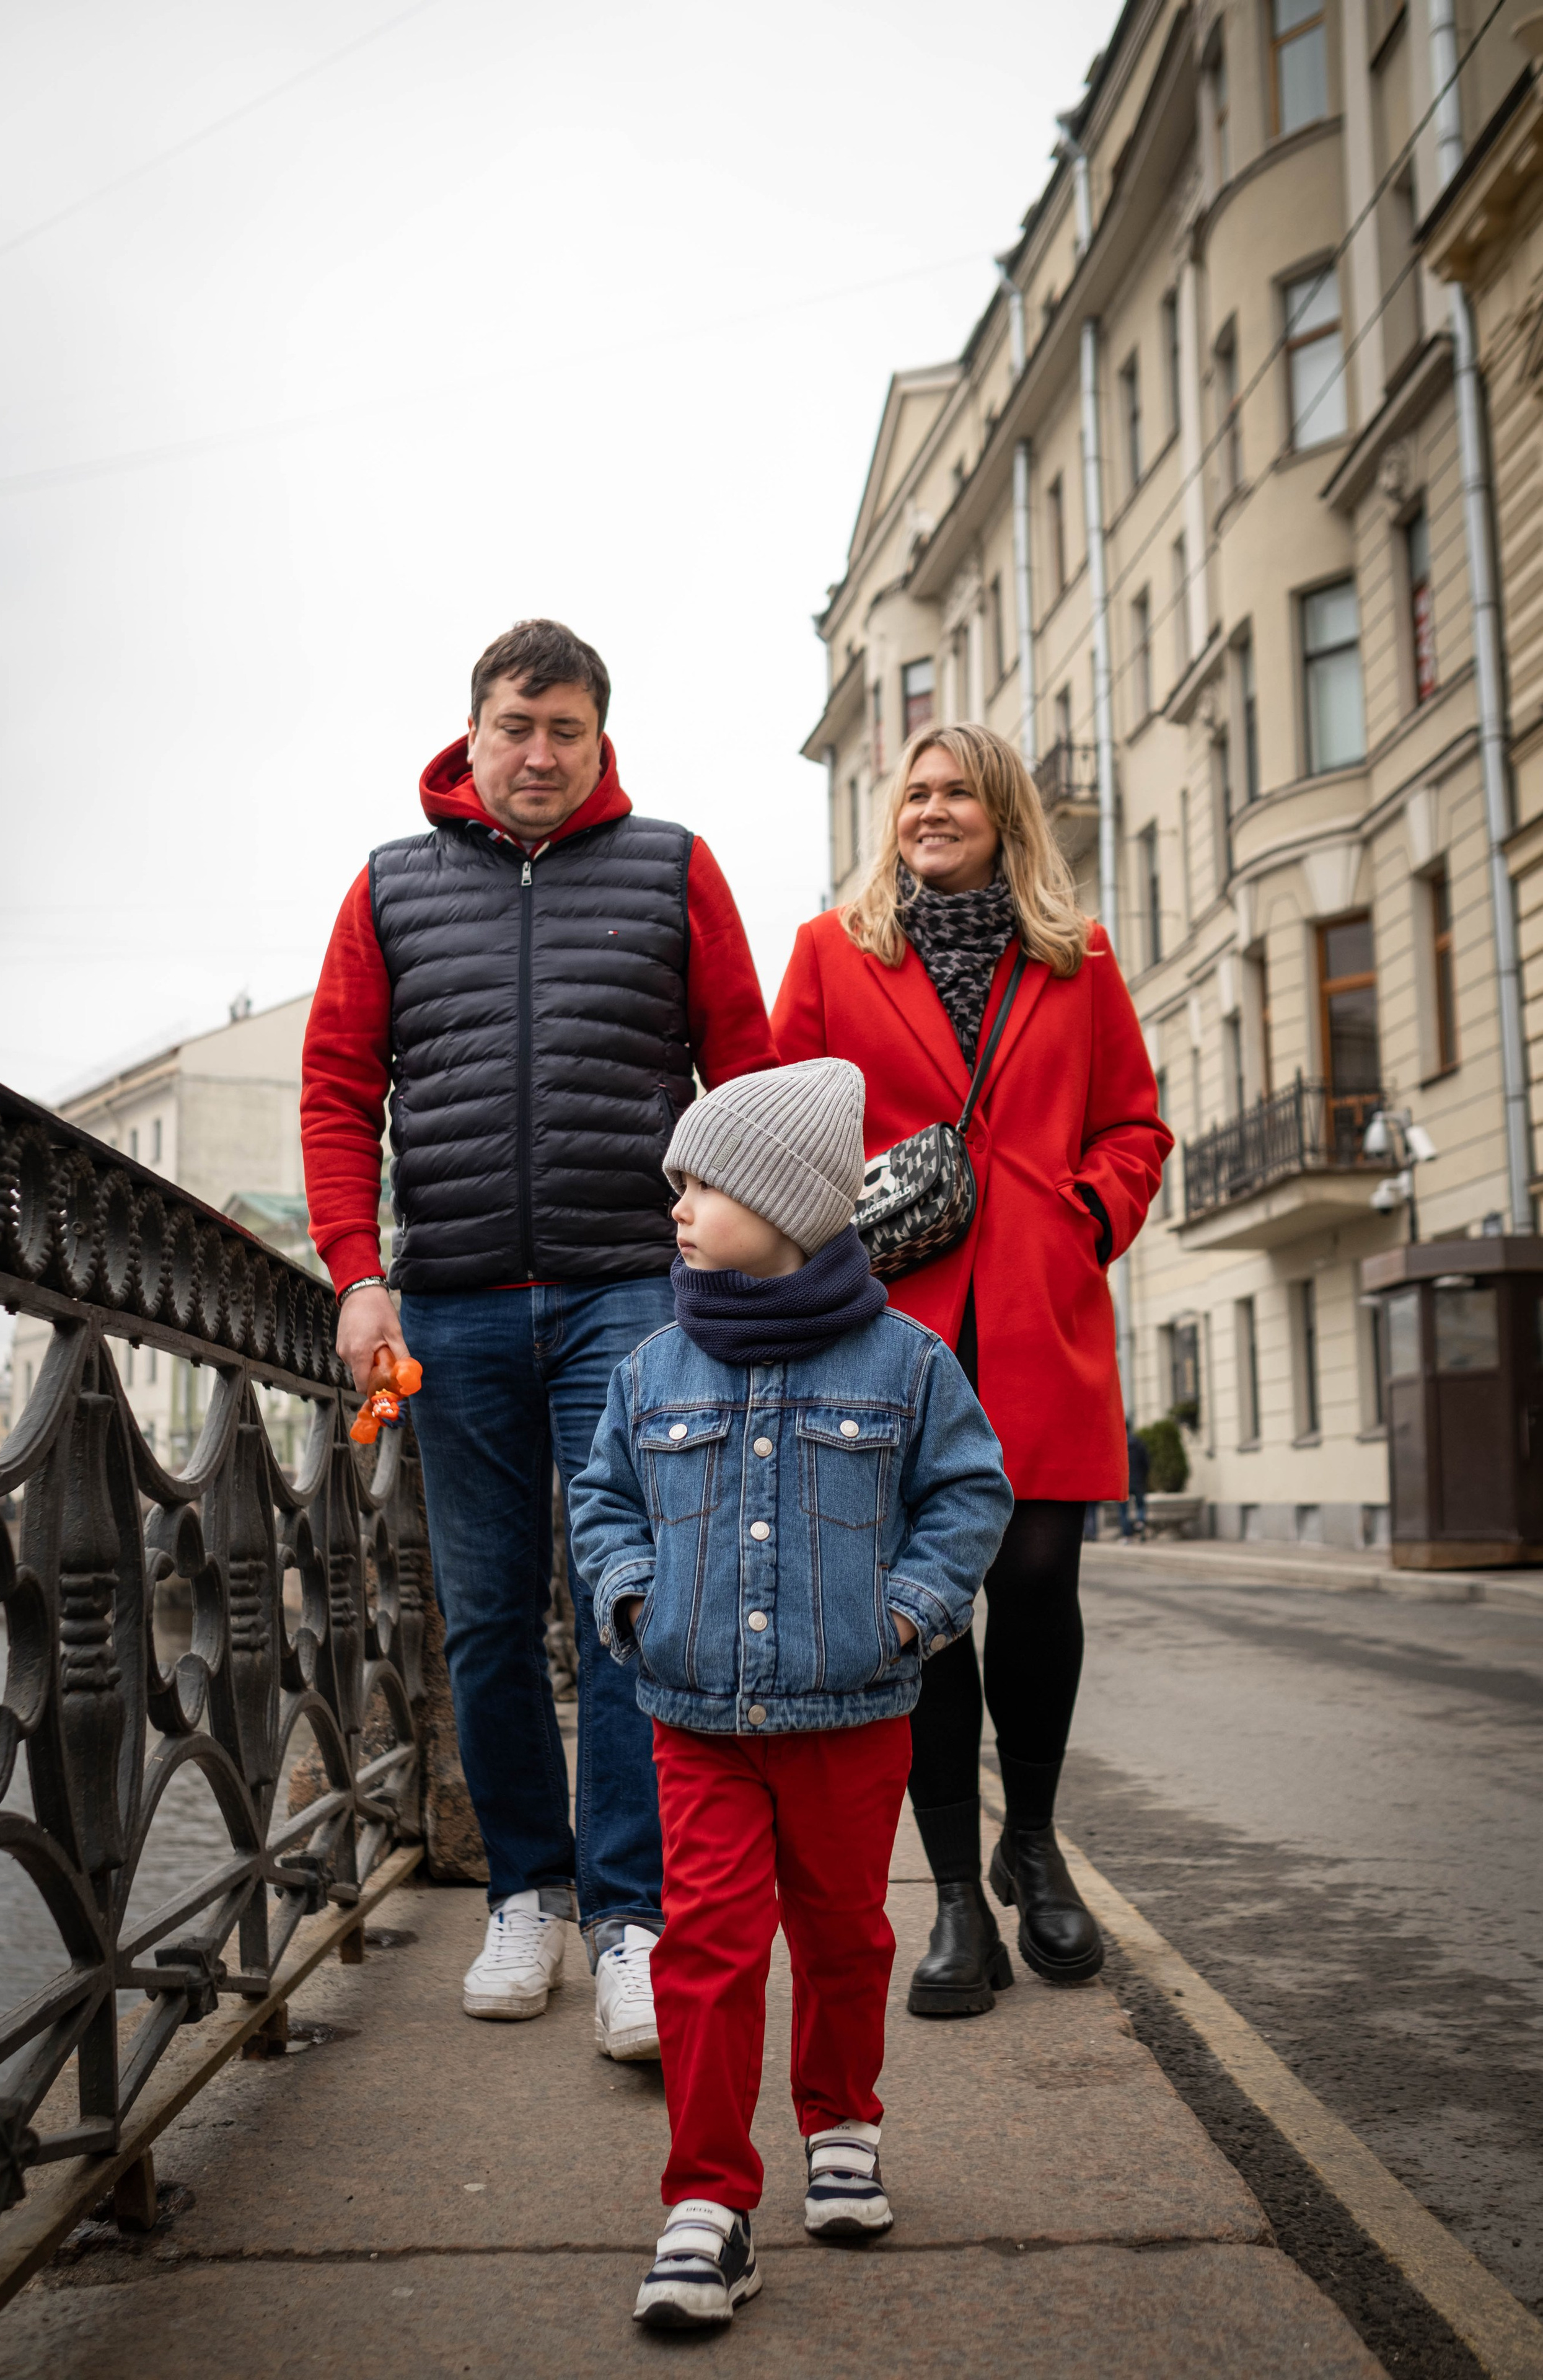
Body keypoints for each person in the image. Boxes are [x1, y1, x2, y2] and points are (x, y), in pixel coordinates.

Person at [301, 617, 777, 2053]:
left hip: (630, 1293)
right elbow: (337, 1088)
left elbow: (742, 1069)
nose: (539, 751)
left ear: (598, 737)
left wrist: (733, 1254)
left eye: (566, 728)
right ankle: (527, 1891)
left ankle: (632, 1916)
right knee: (491, 1612)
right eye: (517, 724)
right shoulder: (391, 885)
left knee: (628, 1601)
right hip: (445, 1298)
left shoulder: (672, 866)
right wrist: (354, 1271)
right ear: (475, 729)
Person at [568, 1059, 1012, 2330]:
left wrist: (907, 1615)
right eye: (678, 1184)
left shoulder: (907, 1364)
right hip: (696, 1719)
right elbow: (601, 1503)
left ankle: (842, 2125)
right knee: (702, 1951)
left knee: (842, 1932)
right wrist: (635, 1599)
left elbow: (966, 1498)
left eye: (704, 1183)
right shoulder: (653, 1367)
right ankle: (705, 2204)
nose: (679, 1205)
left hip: (855, 1712)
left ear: (789, 1203)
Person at [773, 723, 1169, 2013]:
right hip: (888, 1326)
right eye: (914, 794)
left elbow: (1133, 1124)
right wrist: (821, 1252)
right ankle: (952, 1896)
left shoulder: (1077, 956)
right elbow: (778, 1124)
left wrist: (1086, 1216)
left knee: (1038, 1582)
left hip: (1039, 1314)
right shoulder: (831, 955)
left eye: (955, 794)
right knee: (925, 1613)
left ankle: (1034, 1844)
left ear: (1003, 816)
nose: (930, 810)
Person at [1122, 1425, 1151, 1540]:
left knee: (1124, 1510)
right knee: (1140, 1506)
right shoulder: (1139, 1444)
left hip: (1125, 1483)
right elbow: (1146, 1463)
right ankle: (1141, 1524)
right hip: (1138, 1481)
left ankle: (1127, 1535)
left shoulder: (1120, 1445)